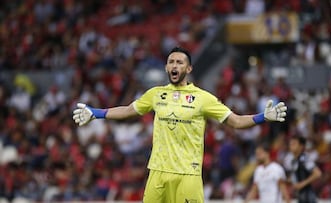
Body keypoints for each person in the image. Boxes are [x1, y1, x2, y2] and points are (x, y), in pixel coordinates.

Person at [72, 46, 288, 203]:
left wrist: (263, 117)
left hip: (188, 174)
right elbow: (128, 110)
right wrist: (96, 113)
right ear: (166, 66)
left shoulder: (203, 98)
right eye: (172, 62)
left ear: (189, 68)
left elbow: (236, 121)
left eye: (180, 62)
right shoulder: (156, 94)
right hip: (158, 171)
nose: (175, 65)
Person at [283, 135, 322, 203]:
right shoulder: (293, 160)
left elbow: (317, 173)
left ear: (301, 146)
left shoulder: (304, 159)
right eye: (290, 144)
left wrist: (302, 184)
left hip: (308, 196)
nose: (291, 146)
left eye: (294, 143)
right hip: (300, 195)